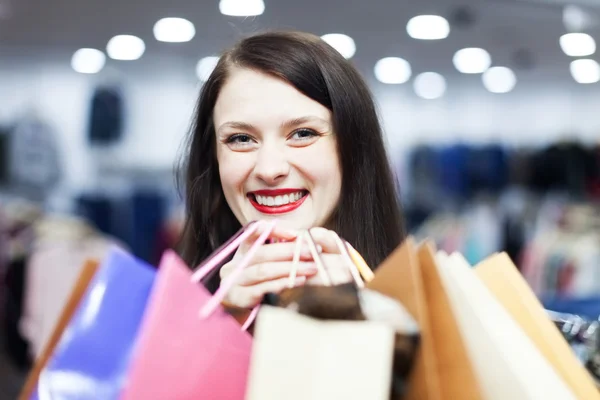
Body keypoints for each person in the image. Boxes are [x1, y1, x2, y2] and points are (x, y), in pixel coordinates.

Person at [178, 30, 405, 312]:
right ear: (212, 158)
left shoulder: (432, 317)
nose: (269, 169)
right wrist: (226, 327)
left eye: (303, 133)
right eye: (241, 139)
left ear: (354, 148)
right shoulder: (161, 322)